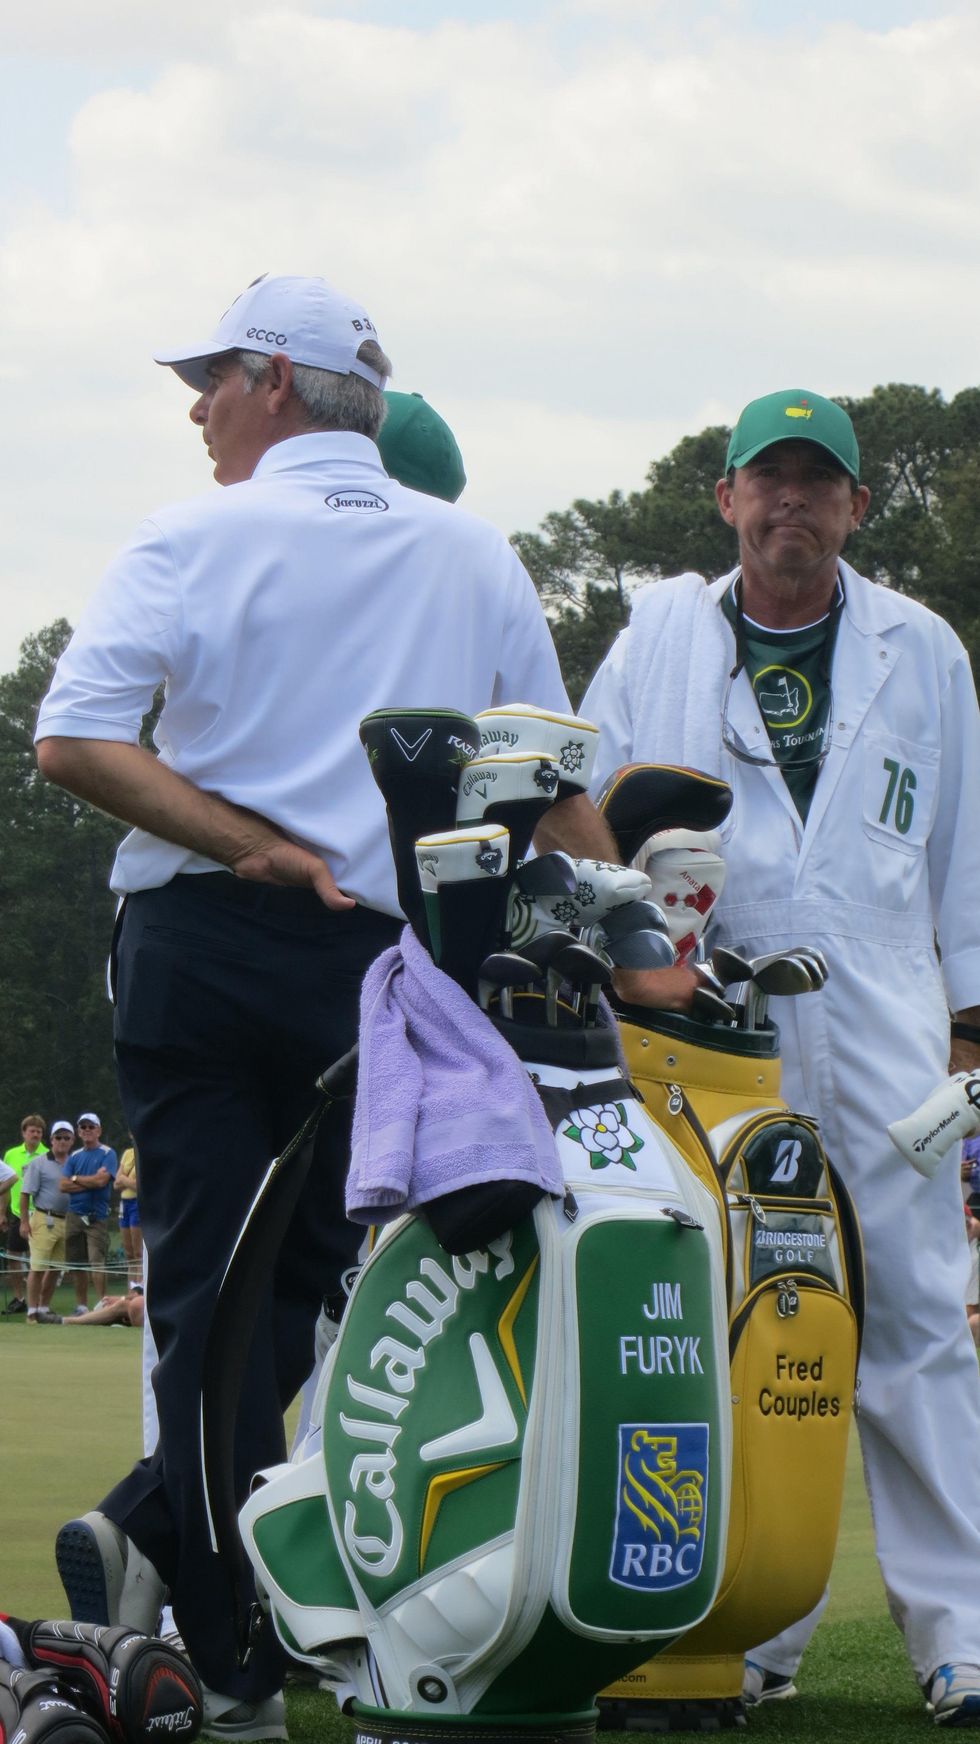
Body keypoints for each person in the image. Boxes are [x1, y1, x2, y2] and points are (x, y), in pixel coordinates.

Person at [34, 272, 616, 1741]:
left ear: (276, 383)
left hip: (209, 946)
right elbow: (552, 792)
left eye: (214, 377)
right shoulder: (475, 555)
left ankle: (218, 1647)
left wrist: (243, 842)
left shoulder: (191, 531)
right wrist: (644, 939)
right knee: (304, 1303)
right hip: (388, 971)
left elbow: (74, 740)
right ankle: (192, 1570)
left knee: (222, 1304)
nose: (198, 405)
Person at [581, 388, 980, 1728]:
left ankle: (959, 1633)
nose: (793, 502)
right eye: (771, 478)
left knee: (918, 1316)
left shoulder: (923, 651)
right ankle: (748, 1626)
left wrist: (973, 1024)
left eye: (821, 482)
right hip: (705, 1017)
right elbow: (588, 821)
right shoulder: (652, 640)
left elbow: (965, 855)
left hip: (886, 1016)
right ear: (728, 498)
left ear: (858, 506)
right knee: (731, 1314)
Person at [61, 1115, 118, 1313]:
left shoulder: (107, 1153)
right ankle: (81, 1306)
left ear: (98, 1130)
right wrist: (88, 1180)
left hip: (97, 1216)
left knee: (96, 1260)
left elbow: (101, 1182)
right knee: (76, 1263)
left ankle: (104, 1304)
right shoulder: (75, 1156)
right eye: (83, 1127)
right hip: (74, 1215)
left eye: (91, 1126)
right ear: (78, 1132)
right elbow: (63, 1184)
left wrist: (76, 1179)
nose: (87, 1130)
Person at [19, 1121, 74, 1322]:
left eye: (66, 1138)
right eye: (58, 1137)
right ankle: (31, 1311)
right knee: (38, 1267)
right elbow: (25, 1195)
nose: (62, 1141)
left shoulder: (73, 1162)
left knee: (56, 1268)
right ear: (51, 1140)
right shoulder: (39, 1163)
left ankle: (43, 1308)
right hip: (44, 1218)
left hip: (66, 1220)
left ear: (72, 1141)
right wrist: (24, 1222)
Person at [1, 1115, 48, 1314]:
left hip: (39, 1212)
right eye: (32, 1131)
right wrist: (1, 1213)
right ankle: (19, 1298)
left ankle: (36, 1300)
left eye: (39, 1131)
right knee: (14, 1256)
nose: (35, 1134)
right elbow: (3, 1185)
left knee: (37, 1258)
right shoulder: (11, 1154)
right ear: (23, 1132)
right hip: (16, 1213)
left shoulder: (47, 1153)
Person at [114, 1138, 141, 1290]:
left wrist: (123, 1178)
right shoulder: (127, 1153)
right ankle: (131, 1291)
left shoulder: (145, 1152)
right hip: (124, 1203)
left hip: (137, 1203)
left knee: (138, 1253)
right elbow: (115, 1184)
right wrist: (125, 1180)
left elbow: (139, 1186)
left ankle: (140, 1290)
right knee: (129, 1253)